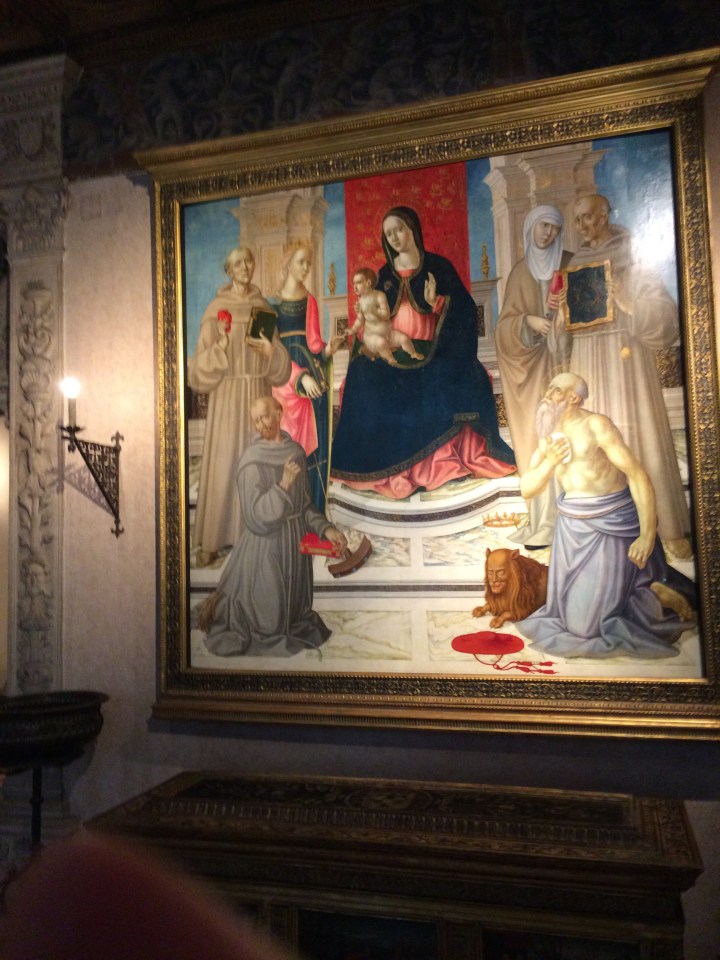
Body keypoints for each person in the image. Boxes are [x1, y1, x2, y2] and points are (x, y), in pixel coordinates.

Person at [331, 206, 516, 499]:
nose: (394, 237)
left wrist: (437, 303)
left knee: (447, 375)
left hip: (435, 348)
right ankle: (388, 468)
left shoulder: (439, 268)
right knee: (361, 373)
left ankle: (433, 464)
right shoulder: (383, 275)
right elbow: (373, 320)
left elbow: (465, 310)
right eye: (388, 233)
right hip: (394, 347)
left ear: (412, 229)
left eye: (399, 229)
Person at [518, 372, 695, 659]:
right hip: (571, 530)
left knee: (585, 629)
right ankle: (647, 592)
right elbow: (527, 488)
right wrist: (550, 461)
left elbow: (637, 475)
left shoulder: (596, 425)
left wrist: (647, 534)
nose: (548, 395)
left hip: (612, 525)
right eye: (549, 388)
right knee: (571, 622)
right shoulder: (547, 433)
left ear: (574, 398)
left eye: (557, 390)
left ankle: (652, 595)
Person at [557, 193, 691, 558]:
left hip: (626, 362)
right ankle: (605, 530)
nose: (582, 226)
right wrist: (561, 315)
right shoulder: (576, 265)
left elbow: (667, 318)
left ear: (604, 215)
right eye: (577, 220)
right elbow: (562, 341)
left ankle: (662, 528)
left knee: (638, 439)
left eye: (588, 217)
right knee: (594, 445)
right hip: (586, 361)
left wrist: (631, 305)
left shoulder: (633, 257)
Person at [197, 396, 347, 657]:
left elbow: (305, 506)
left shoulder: (296, 452)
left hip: (294, 547)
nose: (260, 425)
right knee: (269, 624)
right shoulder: (251, 461)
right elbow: (256, 517)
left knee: (293, 617)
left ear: (279, 413)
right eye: (255, 420)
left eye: (264, 416)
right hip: (266, 549)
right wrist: (283, 485)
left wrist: (326, 529)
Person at [188, 246, 291, 568]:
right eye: (237, 263)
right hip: (227, 397)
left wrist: (270, 352)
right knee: (224, 465)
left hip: (258, 393)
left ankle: (256, 534)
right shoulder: (215, 310)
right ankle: (214, 539)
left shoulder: (262, 308)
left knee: (257, 464)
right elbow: (197, 372)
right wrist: (219, 349)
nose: (244, 267)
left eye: (248, 261)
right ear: (228, 270)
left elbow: (279, 368)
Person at [495, 204, 573, 548]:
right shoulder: (520, 273)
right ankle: (544, 519)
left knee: (570, 438)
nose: (548, 233)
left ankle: (575, 516)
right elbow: (503, 331)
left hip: (568, 367)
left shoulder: (570, 263)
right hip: (534, 373)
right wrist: (527, 322)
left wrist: (563, 315)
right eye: (543, 226)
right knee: (540, 440)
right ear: (530, 229)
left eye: (554, 228)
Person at [271, 242, 344, 513]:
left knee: (315, 441)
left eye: (309, 263)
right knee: (289, 444)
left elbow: (314, 344)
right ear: (288, 263)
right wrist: (298, 377)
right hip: (284, 374)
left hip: (309, 368)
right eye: (301, 262)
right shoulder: (272, 304)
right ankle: (287, 509)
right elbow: (271, 351)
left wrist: (328, 349)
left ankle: (313, 510)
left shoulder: (309, 299)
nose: (306, 267)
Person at [348, 266, 423, 365]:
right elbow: (360, 319)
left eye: (358, 282)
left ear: (368, 283)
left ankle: (413, 353)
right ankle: (390, 359)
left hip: (388, 334)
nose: (355, 286)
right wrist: (353, 329)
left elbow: (386, 315)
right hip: (372, 337)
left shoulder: (379, 296)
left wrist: (374, 311)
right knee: (381, 343)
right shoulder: (360, 301)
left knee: (404, 338)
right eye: (354, 283)